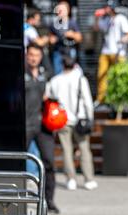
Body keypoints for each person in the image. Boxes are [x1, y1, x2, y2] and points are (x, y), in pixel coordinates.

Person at [46, 56, 98, 191]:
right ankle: (89, 179)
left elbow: (48, 98)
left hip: (62, 120)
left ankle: (71, 179)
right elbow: (88, 101)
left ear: (62, 65)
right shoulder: (81, 79)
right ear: (75, 65)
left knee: (66, 150)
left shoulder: (55, 80)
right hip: (80, 119)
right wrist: (90, 118)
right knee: (84, 149)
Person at [25, 43, 60, 214]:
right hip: (25, 123)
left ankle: (49, 201)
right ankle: (15, 198)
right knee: (16, 162)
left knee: (49, 162)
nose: (33, 58)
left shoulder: (44, 74)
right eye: (31, 54)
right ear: (26, 55)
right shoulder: (21, 74)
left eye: (37, 55)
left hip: (43, 125)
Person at [93, 0, 128, 104]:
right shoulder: (107, 19)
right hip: (106, 51)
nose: (105, 9)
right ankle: (101, 100)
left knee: (119, 77)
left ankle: (120, 101)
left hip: (118, 52)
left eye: (107, 7)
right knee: (101, 75)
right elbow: (96, 28)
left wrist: (122, 40)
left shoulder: (121, 18)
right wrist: (97, 17)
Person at [49, 1, 82, 75]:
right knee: (58, 74)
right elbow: (50, 38)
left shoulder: (72, 23)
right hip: (58, 52)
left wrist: (72, 34)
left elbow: (79, 38)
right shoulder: (53, 24)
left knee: (72, 73)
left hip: (70, 51)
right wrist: (51, 40)